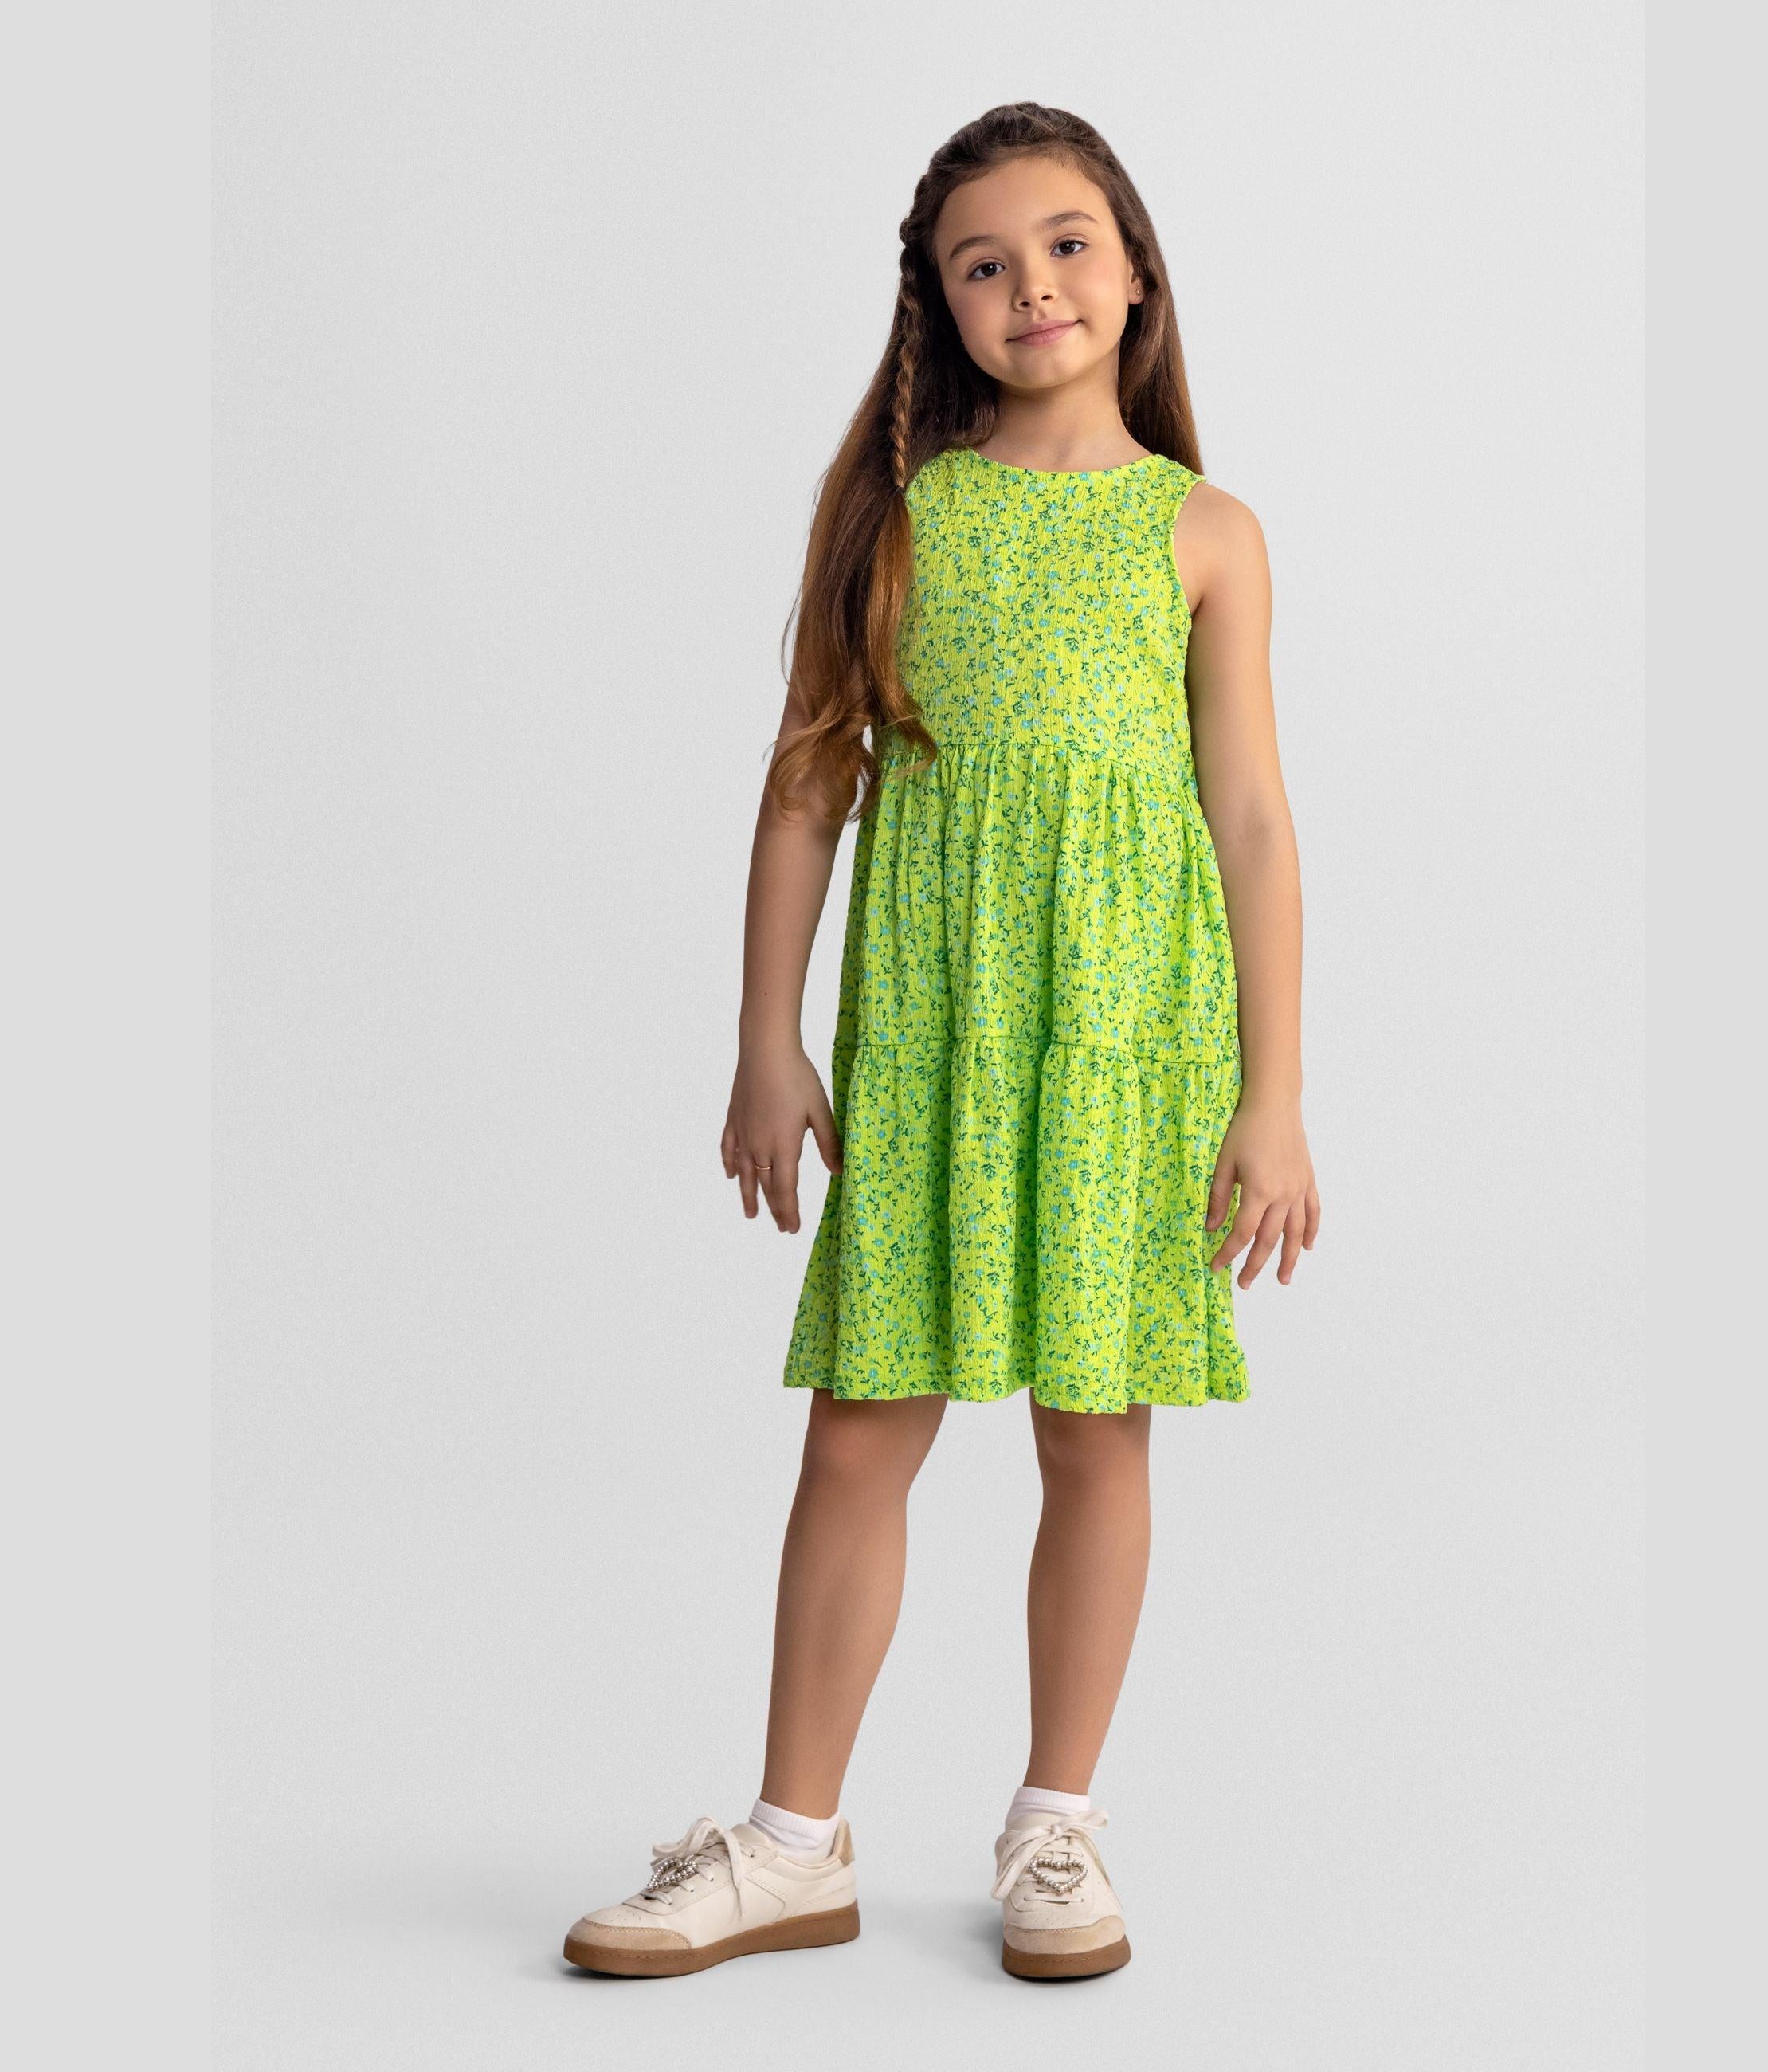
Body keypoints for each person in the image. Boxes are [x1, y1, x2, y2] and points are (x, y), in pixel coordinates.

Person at [563, 100, 1319, 1983]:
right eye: (983, 264)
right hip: (929, 1036)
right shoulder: (906, 515)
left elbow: (1247, 817)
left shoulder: (1205, 531)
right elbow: (809, 781)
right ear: (938, 306)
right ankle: (790, 1843)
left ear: (1135, 276)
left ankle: (1056, 1825)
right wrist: (765, 1036)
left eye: (1065, 246)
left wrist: (1276, 1094)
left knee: (1095, 1428)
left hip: (1124, 1040)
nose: (1029, 285)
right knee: (858, 1431)